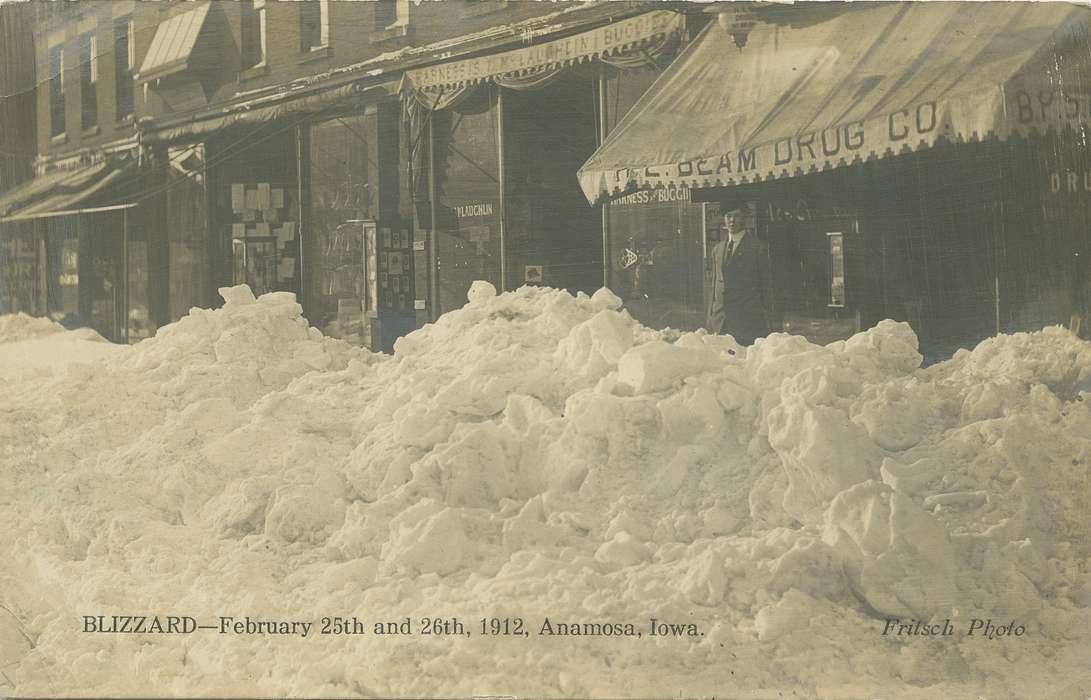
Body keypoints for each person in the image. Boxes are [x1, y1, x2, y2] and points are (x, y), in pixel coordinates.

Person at [706, 203, 775, 345]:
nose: (732, 220)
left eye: (736, 216)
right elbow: (714, 287)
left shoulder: (757, 248)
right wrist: (710, 317)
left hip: (747, 323)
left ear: (745, 218)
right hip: (721, 322)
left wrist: (770, 321)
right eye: (728, 216)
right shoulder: (717, 250)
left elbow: (767, 287)